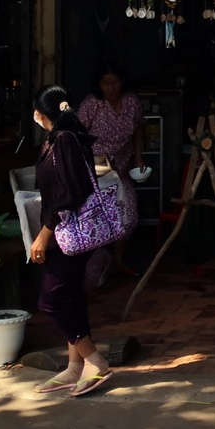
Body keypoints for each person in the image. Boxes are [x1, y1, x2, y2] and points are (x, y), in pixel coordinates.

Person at [29, 85, 113, 396]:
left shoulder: (64, 142)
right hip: (68, 234)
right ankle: (74, 367)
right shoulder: (65, 139)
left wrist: (42, 236)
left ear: (41, 115)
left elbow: (67, 196)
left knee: (49, 301)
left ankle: (94, 360)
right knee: (71, 296)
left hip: (67, 234)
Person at [77, 63, 143, 276]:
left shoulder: (131, 102)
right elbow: (76, 136)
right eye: (106, 84)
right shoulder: (91, 104)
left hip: (121, 167)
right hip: (94, 169)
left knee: (128, 213)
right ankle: (96, 264)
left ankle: (118, 259)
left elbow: (138, 130)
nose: (111, 88)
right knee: (96, 215)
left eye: (115, 83)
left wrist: (138, 158)